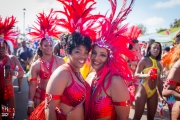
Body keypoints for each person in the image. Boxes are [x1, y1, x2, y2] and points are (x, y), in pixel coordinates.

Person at [28, 0, 102, 119]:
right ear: (68, 51)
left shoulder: (76, 71)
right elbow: (50, 109)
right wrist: (30, 103)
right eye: (77, 52)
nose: (82, 56)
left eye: (85, 52)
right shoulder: (62, 73)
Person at [86, 0, 135, 119]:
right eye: (95, 53)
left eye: (102, 55)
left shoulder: (115, 81)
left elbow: (123, 117)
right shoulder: (90, 76)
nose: (96, 58)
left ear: (109, 58)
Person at [27, 10, 65, 116]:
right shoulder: (36, 65)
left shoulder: (61, 61)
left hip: (57, 99)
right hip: (40, 98)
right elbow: (32, 86)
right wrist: (30, 104)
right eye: (45, 45)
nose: (49, 47)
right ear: (40, 47)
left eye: (50, 45)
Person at [0, 16, 24, 120]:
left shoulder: (12, 58)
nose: (1, 49)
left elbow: (22, 73)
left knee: (8, 118)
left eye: (3, 47)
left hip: (9, 96)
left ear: (7, 48)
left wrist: (14, 72)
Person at [133, 41, 163, 120]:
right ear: (149, 49)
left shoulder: (159, 64)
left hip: (153, 92)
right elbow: (135, 75)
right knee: (137, 117)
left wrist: (161, 96)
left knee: (151, 118)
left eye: (158, 49)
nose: (156, 50)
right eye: (154, 48)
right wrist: (146, 75)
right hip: (143, 89)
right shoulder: (144, 60)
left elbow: (159, 82)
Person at [162, 32, 180, 120]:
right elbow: (164, 69)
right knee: (171, 109)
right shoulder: (167, 56)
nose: (176, 45)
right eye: (176, 43)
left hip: (173, 86)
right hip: (172, 89)